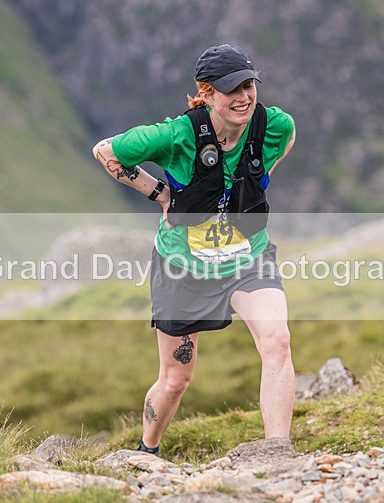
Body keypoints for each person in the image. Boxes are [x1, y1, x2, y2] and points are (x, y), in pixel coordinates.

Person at [92, 44, 296, 456]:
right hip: (182, 267)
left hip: (247, 258)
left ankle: (278, 453)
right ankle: (147, 451)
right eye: (230, 89)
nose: (244, 96)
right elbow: (105, 150)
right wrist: (161, 194)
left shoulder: (274, 127)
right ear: (205, 94)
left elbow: (281, 148)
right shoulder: (176, 135)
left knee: (277, 341)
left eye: (249, 84)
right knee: (176, 379)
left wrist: (241, 193)